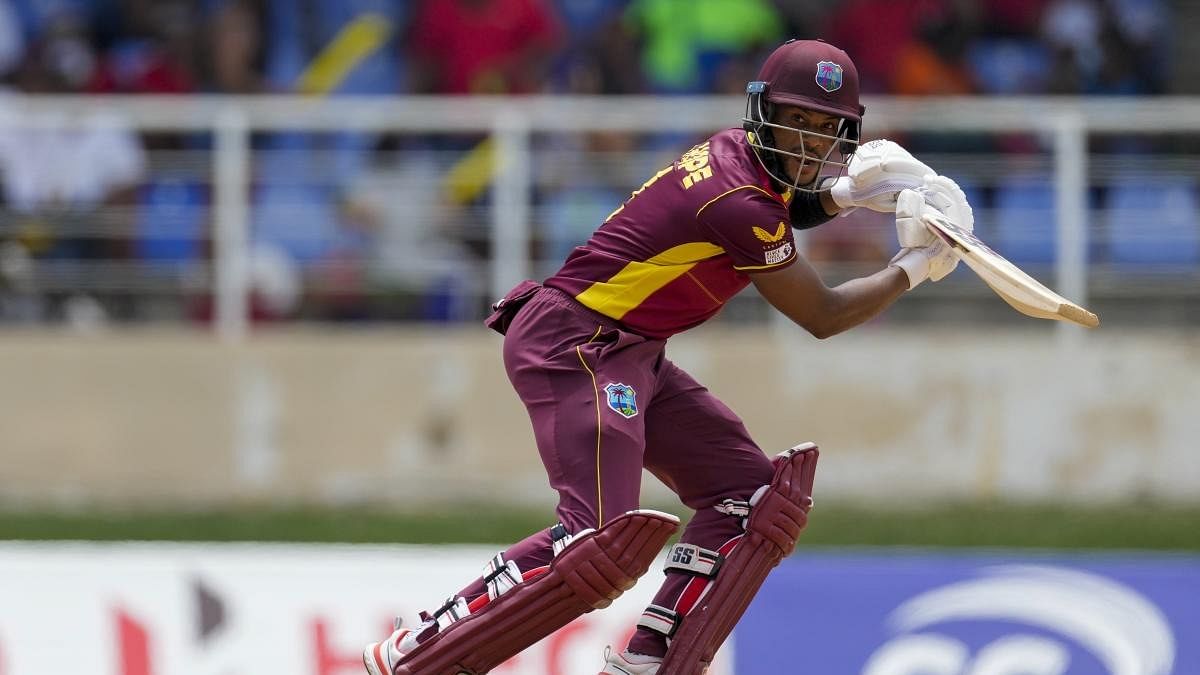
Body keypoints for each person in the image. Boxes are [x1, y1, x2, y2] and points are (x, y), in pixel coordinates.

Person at [363, 38, 973, 675]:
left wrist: (848, 195)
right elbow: (822, 315)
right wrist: (916, 265)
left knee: (754, 500)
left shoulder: (736, 159)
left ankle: (652, 661)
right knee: (595, 544)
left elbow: (783, 202)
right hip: (576, 345)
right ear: (763, 113)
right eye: (796, 122)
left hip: (629, 352)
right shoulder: (739, 203)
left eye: (826, 129)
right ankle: (418, 653)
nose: (809, 144)